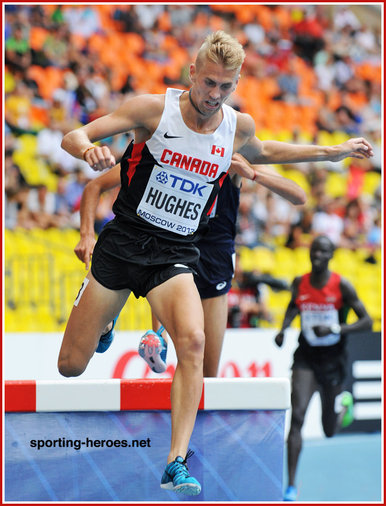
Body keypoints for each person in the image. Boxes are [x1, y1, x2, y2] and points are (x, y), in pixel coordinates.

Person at [59, 31, 373, 496]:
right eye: (208, 83)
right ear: (192, 74)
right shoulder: (154, 110)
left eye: (225, 87)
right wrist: (89, 148)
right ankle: (104, 317)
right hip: (124, 243)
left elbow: (266, 151)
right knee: (70, 365)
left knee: (193, 343)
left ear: (237, 83)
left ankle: (175, 461)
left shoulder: (235, 126)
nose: (214, 95)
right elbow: (74, 134)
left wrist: (333, 152)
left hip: (175, 252)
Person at [74, 156, 306, 376]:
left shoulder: (232, 155)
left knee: (207, 373)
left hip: (215, 258)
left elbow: (298, 195)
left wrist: (254, 173)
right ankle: (156, 338)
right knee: (162, 272)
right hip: (169, 247)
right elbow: (96, 186)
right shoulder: (166, 151)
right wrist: (86, 234)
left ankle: (146, 334)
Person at [274, 235, 373, 501]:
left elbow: (367, 322)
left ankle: (343, 409)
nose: (317, 255)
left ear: (331, 256)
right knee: (297, 418)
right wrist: (283, 330)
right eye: (314, 251)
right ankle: (291, 486)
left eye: (323, 252)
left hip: (333, 359)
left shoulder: (342, 286)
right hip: (306, 357)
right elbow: (293, 307)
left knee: (329, 430)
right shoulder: (300, 282)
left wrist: (335, 328)